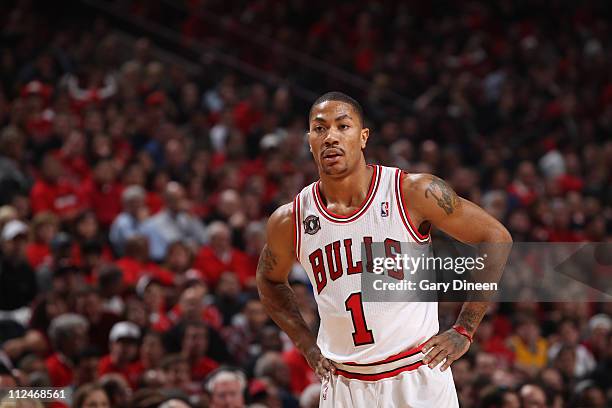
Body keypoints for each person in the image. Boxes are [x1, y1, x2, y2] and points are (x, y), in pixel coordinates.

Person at [256, 92, 512, 407]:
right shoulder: (290, 219)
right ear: (309, 140)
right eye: (320, 128)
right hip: (344, 383)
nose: (331, 137)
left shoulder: (413, 192)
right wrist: (306, 343)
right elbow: (269, 280)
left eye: (343, 126)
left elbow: (496, 237)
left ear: (363, 137)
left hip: (415, 375)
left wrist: (465, 328)